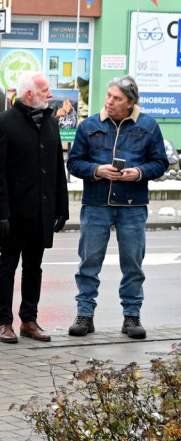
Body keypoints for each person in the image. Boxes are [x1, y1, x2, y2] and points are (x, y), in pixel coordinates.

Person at [66, 76, 168, 340]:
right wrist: (97, 170)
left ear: (130, 102)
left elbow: (160, 163)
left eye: (117, 98)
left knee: (133, 264)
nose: (109, 102)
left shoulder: (148, 126)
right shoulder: (89, 125)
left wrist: (138, 172)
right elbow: (74, 162)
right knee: (89, 263)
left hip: (133, 206)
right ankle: (84, 315)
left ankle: (132, 317)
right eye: (108, 96)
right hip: (96, 202)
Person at [0, 71, 68, 344]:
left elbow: (58, 168)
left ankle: (29, 320)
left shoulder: (50, 123)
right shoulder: (1, 123)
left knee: (34, 267)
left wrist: (62, 207)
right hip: (13, 213)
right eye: (45, 89)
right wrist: (0, 213)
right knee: (7, 265)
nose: (50, 94)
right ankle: (4, 322)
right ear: (29, 94)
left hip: (42, 212)